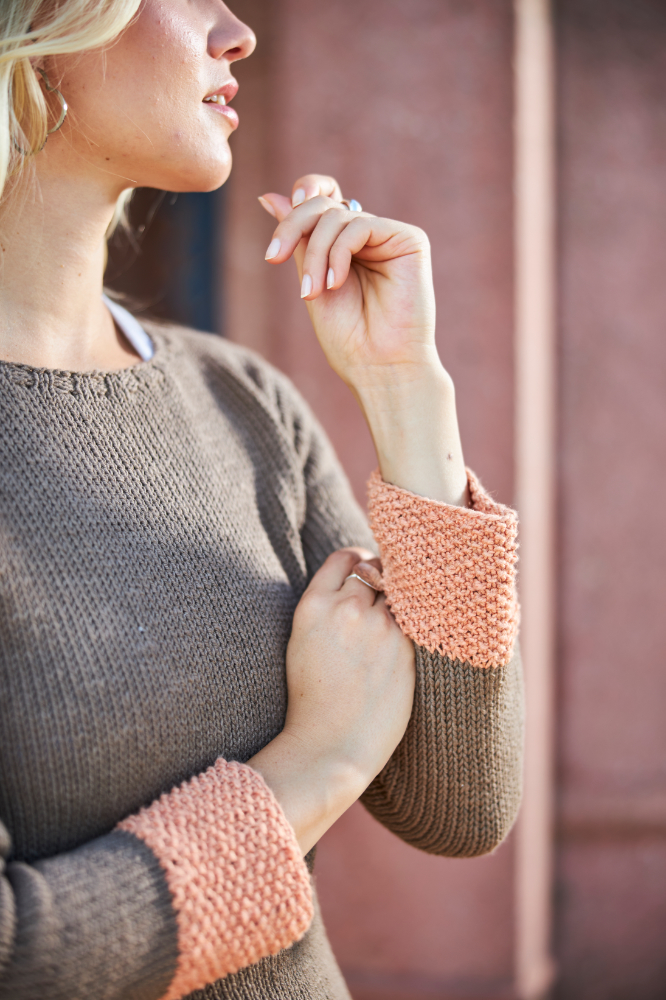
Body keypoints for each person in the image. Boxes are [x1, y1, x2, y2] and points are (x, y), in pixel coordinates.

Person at [0, 2, 523, 998]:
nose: (237, 31)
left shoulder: (239, 399)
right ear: (35, 28)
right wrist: (317, 764)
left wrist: (405, 386)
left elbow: (460, 801)